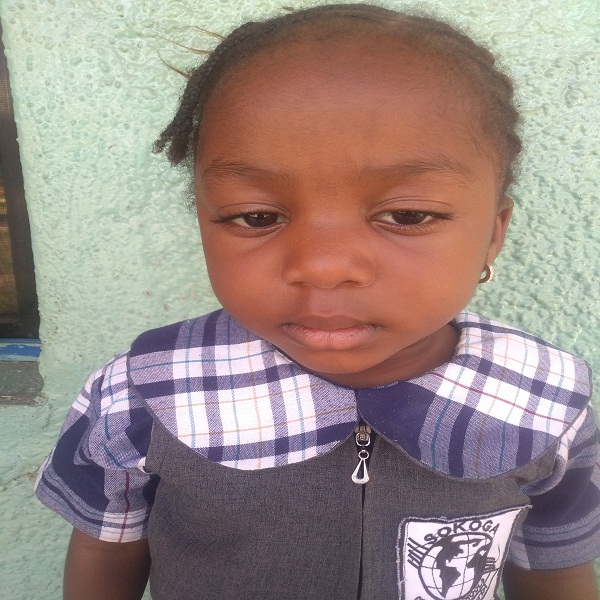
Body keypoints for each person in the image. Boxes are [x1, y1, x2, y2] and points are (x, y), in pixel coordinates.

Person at [35, 4, 600, 600]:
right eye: (257, 216)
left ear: (493, 234)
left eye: (408, 215)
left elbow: (555, 571)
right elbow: (105, 555)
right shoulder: (146, 391)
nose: (323, 265)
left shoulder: (543, 400)